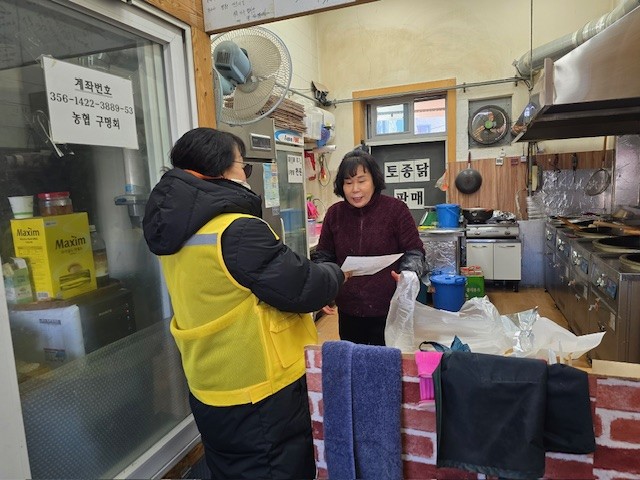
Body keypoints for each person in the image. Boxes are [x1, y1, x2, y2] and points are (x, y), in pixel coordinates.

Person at [143, 127, 345, 479]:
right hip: (262, 389)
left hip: (210, 384)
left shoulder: (176, 231)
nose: (246, 176)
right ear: (219, 170)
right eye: (243, 166)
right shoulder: (235, 230)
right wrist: (336, 273)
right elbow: (304, 288)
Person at [312, 147, 426, 346]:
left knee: (386, 360)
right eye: (348, 182)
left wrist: (408, 274)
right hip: (348, 308)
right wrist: (323, 289)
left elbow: (414, 251)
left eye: (361, 181)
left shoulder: (396, 210)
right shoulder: (334, 214)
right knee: (355, 358)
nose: (355, 189)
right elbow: (324, 256)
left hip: (388, 307)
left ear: (374, 180)